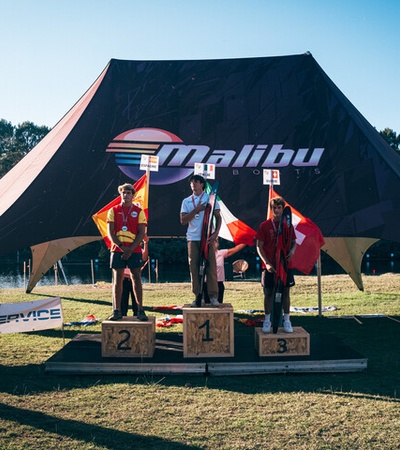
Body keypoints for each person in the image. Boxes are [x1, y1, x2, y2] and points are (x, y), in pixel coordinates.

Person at [107, 183, 147, 321]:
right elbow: (110, 232)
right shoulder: (113, 210)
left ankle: (140, 310)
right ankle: (117, 310)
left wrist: (130, 249)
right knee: (118, 280)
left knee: (136, 278)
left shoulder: (139, 211)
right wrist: (121, 247)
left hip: (134, 249)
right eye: (123, 192)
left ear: (133, 195)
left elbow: (142, 232)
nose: (126, 195)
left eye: (129, 193)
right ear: (120, 194)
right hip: (118, 249)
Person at [256, 196, 296, 333]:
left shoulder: (288, 226)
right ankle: (267, 320)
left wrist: (292, 251)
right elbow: (259, 247)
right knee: (268, 292)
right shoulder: (265, 226)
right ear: (271, 209)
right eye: (275, 208)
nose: (277, 210)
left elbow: (294, 242)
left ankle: (287, 320)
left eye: (280, 208)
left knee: (285, 292)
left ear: (283, 209)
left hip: (285, 265)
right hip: (270, 266)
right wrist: (266, 263)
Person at [180, 174, 222, 307]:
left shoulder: (210, 198)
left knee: (210, 267)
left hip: (208, 237)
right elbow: (183, 220)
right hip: (193, 238)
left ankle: (213, 296)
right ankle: (198, 296)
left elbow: (218, 217)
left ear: (202, 184)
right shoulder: (186, 201)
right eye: (192, 182)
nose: (194, 184)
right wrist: (197, 209)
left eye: (197, 182)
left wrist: (215, 234)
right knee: (194, 267)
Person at [120, 235, 149, 317]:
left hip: (135, 279)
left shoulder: (137, 250)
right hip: (124, 279)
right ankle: (122, 318)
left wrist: (146, 243)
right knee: (123, 303)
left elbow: (144, 257)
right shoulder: (121, 249)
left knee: (136, 302)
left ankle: (138, 316)